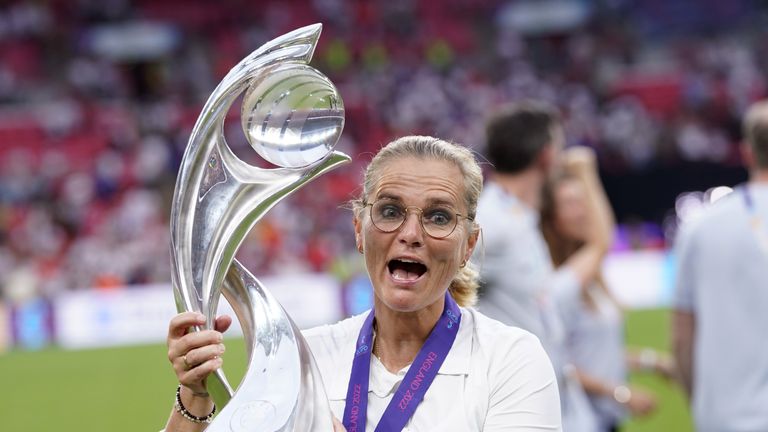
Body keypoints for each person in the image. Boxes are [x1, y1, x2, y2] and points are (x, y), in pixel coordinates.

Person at [163, 136, 562, 431]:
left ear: (468, 245)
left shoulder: (511, 361)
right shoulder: (306, 360)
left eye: (439, 217)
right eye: (389, 211)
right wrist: (197, 393)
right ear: (359, 229)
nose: (411, 234)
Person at [474, 101, 598, 430]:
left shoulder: (518, 217)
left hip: (553, 399)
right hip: (516, 406)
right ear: (546, 155)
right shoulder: (490, 223)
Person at [540, 149, 673, 431]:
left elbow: (594, 352)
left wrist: (652, 362)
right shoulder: (556, 284)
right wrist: (619, 393)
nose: (583, 210)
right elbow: (556, 363)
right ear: (552, 218)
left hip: (605, 419)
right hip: (577, 421)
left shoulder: (590, 281)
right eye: (571, 203)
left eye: (583, 201)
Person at [673, 100, 768, 432]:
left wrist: (702, 404)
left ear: (746, 153)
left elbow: (683, 339)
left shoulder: (701, 227)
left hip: (727, 417)